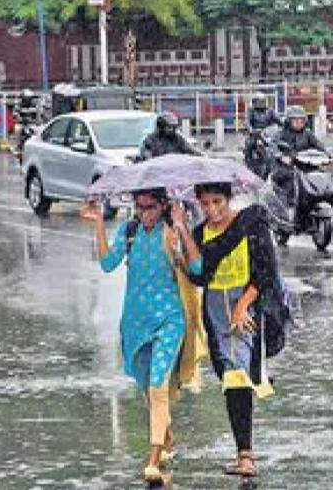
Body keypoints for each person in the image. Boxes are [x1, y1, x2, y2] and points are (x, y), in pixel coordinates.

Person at [81, 189, 198, 482]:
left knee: (159, 385)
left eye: (150, 207)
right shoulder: (129, 231)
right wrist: (98, 224)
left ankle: (154, 458)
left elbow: (196, 268)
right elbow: (108, 264)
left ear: (163, 206)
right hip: (135, 324)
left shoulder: (171, 231)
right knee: (148, 388)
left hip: (169, 322)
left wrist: (182, 230)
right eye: (139, 207)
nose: (144, 213)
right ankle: (167, 436)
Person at [180, 182, 288, 479]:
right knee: (229, 377)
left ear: (229, 198)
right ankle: (243, 452)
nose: (212, 210)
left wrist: (243, 305)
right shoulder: (201, 233)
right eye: (205, 204)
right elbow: (198, 275)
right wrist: (182, 229)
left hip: (246, 308)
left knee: (237, 374)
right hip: (215, 312)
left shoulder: (250, 224)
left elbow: (264, 271)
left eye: (218, 202)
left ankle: (245, 455)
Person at [272, 105, 328, 206]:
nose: (299, 123)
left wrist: (328, 155)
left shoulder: (308, 133)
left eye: (301, 120)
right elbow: (273, 146)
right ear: (289, 121)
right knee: (288, 180)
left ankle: (320, 200)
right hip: (287, 166)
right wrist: (281, 156)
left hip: (305, 165)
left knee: (322, 176)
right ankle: (288, 205)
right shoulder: (281, 133)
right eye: (295, 120)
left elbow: (319, 145)